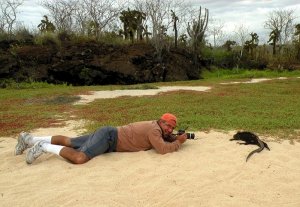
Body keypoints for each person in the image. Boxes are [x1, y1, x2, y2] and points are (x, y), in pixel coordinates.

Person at [15, 113, 187, 165]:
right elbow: (163, 149)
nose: (169, 129)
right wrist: (178, 142)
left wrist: (173, 137)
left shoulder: (155, 127)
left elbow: (163, 140)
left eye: (172, 128)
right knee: (79, 157)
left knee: (70, 141)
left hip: (108, 135)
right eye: (168, 126)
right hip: (109, 138)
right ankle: (43, 146)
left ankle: (29, 139)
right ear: (161, 121)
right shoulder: (154, 130)